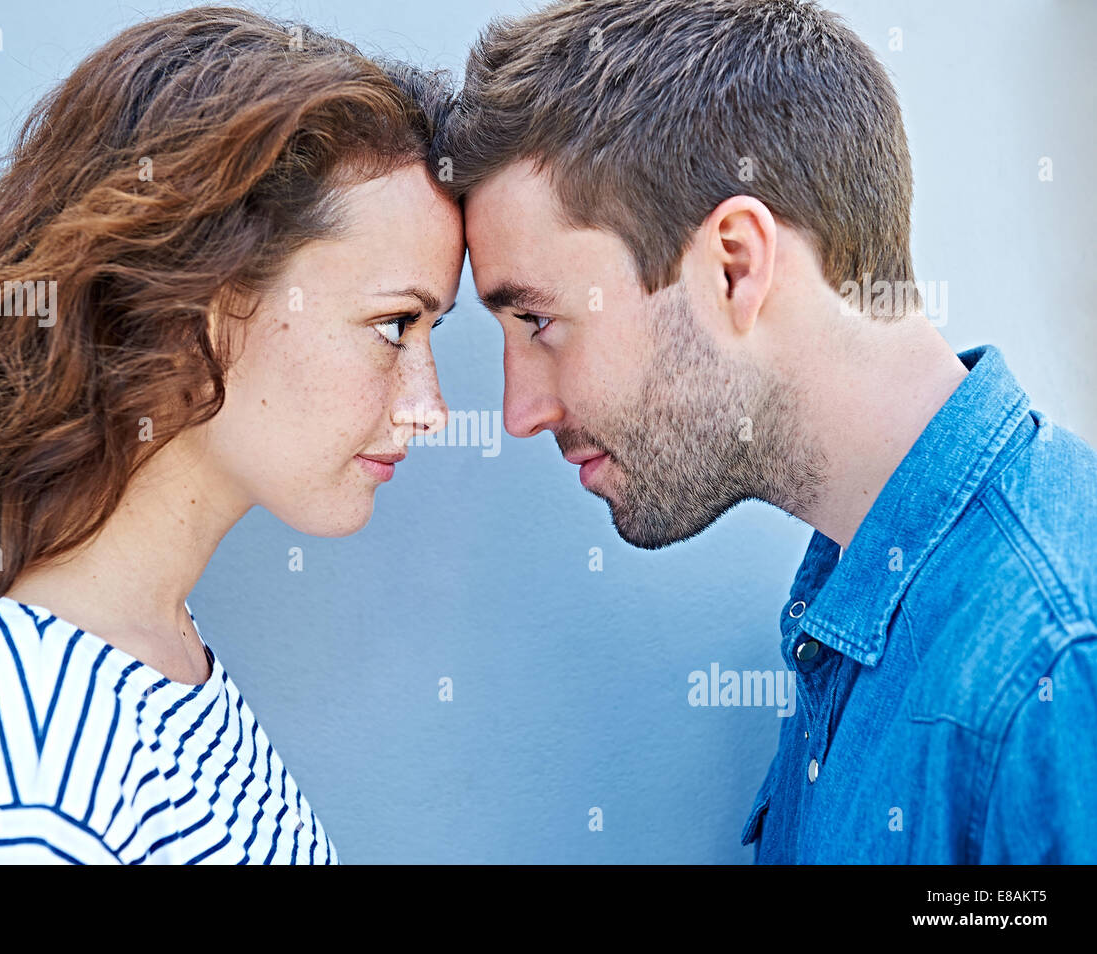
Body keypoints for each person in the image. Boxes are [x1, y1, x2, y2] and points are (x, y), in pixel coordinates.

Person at [435, 0, 1097, 862]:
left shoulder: (1052, 667)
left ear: (734, 265)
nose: (520, 412)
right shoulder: (858, 578)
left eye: (537, 320)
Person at [0, 6, 462, 864]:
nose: (431, 407)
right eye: (392, 325)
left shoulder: (152, 647)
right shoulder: (19, 775)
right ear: (198, 306)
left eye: (429, 333)